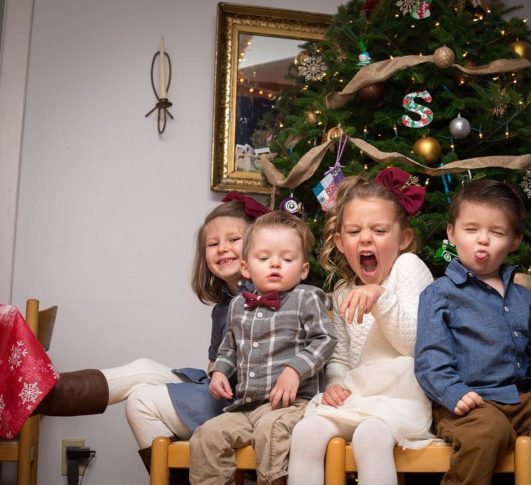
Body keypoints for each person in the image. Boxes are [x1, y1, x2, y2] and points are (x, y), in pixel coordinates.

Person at [30, 193, 270, 476]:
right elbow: (214, 362)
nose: (223, 249)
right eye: (213, 244)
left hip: (244, 404)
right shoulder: (222, 306)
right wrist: (214, 373)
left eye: (234, 240)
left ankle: (33, 396)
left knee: (140, 402)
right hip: (220, 391)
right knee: (143, 369)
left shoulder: (265, 298)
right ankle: (39, 394)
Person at [414, 179, 531, 485]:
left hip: (521, 398)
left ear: (514, 240)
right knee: (487, 432)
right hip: (468, 402)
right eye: (471, 230)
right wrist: (454, 392)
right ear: (452, 233)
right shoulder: (439, 294)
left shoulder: (523, 298)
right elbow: (430, 358)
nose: (483, 240)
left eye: (496, 233)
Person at [287, 167, 435, 485]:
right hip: (360, 393)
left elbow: (415, 345)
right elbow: (340, 356)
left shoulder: (409, 267)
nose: (366, 238)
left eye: (379, 231)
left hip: (403, 396)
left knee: (370, 436)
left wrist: (380, 297)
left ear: (403, 239)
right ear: (340, 242)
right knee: (306, 432)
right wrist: (336, 383)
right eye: (354, 232)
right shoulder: (343, 292)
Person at [189, 210, 337, 485]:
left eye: (287, 259)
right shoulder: (237, 305)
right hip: (245, 406)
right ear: (246, 268)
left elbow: (325, 339)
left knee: (270, 433)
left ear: (303, 269)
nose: (275, 265)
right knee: (206, 435)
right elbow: (228, 349)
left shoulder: (306, 298)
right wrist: (219, 372)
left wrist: (294, 370)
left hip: (290, 406)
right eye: (264, 258)